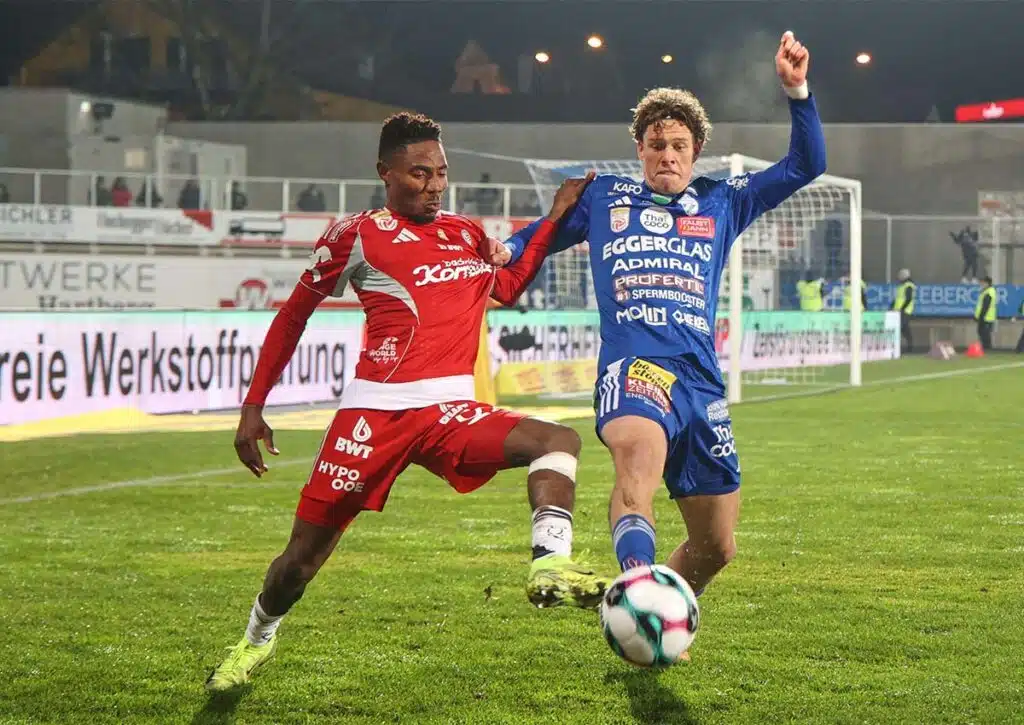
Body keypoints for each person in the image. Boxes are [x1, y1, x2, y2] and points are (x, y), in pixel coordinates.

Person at [204, 113, 608, 692]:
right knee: (300, 562)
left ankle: (549, 565)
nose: (434, 185)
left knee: (557, 441)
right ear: (385, 173)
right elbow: (294, 315)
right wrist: (253, 405)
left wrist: (553, 219)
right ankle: (255, 640)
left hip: (448, 411)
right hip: (373, 414)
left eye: (442, 173)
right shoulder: (355, 235)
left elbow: (510, 284)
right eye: (420, 174)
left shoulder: (466, 232)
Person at [504, 31, 826, 651]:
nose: (667, 156)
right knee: (636, 467)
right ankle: (635, 585)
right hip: (635, 367)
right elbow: (539, 234)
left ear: (696, 151)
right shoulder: (604, 197)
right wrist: (508, 249)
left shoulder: (725, 201)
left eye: (679, 146)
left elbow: (805, 166)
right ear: (640, 148)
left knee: (716, 546)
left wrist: (797, 93)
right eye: (656, 145)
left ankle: (640, 615)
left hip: (700, 382)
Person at [892, 268, 916, 353]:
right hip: (898, 310)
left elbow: (908, 298)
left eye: (900, 275)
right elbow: (897, 298)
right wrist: (892, 307)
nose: (898, 277)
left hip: (905, 311)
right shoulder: (902, 286)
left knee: (900, 328)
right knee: (904, 329)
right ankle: (910, 347)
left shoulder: (909, 285)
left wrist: (902, 308)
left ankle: (900, 348)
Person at [974, 275, 997, 351]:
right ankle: (986, 348)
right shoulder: (986, 291)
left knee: (984, 334)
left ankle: (987, 349)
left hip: (986, 317)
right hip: (985, 317)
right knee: (983, 333)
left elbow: (985, 306)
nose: (981, 284)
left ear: (987, 283)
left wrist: (981, 317)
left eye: (983, 282)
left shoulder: (989, 292)